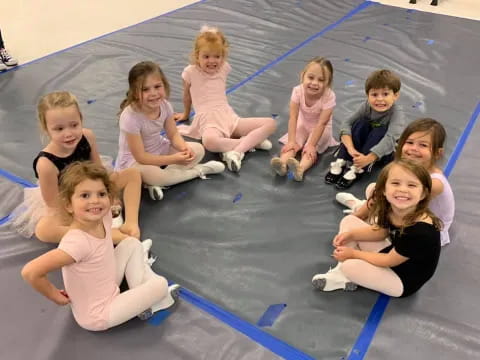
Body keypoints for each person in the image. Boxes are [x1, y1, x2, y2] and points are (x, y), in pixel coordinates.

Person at [21, 162, 179, 331]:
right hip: (99, 314)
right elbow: (30, 272)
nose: (95, 201)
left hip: (107, 282)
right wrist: (55, 296)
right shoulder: (76, 243)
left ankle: (141, 297)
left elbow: (111, 235)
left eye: (101, 194)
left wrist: (126, 224)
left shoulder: (103, 218)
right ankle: (154, 297)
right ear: (68, 205)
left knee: (131, 243)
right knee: (160, 284)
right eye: (85, 196)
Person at [10, 91, 142, 243]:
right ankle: (106, 235)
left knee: (132, 174)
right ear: (46, 129)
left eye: (74, 125)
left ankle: (131, 223)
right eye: (59, 129)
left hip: (93, 185)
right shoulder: (46, 164)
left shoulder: (87, 137)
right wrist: (84, 209)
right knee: (44, 230)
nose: (69, 134)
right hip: (68, 200)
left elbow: (99, 171)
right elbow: (54, 204)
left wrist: (107, 196)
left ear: (81, 120)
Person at [312, 159, 442, 297]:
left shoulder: (420, 231)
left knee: (349, 267)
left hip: (403, 280)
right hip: (392, 253)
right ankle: (343, 270)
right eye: (395, 183)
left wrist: (353, 254)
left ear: (423, 194)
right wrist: (350, 235)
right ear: (384, 190)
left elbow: (388, 260)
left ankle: (343, 274)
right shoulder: (391, 208)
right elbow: (380, 233)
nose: (403, 189)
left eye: (412, 185)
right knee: (349, 221)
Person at [115, 61, 225, 201]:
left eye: (157, 86)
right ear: (135, 93)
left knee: (198, 149)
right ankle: (199, 170)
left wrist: (183, 148)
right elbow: (141, 157)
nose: (153, 93)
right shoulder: (130, 117)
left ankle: (158, 182)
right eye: (145, 89)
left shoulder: (165, 106)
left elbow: (173, 134)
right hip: (135, 162)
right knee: (153, 174)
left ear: (164, 85)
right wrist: (173, 159)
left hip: (160, 149)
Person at [336, 118, 454, 246]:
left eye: (423, 145)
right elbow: (379, 192)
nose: (414, 149)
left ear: (437, 153)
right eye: (410, 142)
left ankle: (364, 215)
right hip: (406, 210)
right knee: (374, 187)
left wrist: (359, 217)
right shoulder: (406, 168)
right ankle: (362, 210)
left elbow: (390, 204)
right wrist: (360, 214)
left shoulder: (434, 183)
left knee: (359, 227)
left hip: (423, 230)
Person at [175, 25, 277, 172]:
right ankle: (249, 143)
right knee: (209, 142)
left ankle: (238, 149)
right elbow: (187, 95)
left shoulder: (224, 68)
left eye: (217, 56)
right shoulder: (190, 72)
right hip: (208, 121)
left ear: (223, 56)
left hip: (228, 116)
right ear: (197, 55)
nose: (212, 61)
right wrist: (185, 114)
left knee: (270, 123)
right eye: (206, 56)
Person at [325, 69, 405, 189]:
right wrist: (350, 148)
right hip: (363, 143)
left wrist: (369, 158)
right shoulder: (366, 106)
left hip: (382, 152)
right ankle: (342, 159)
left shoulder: (396, 114)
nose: (379, 99)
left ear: (395, 96)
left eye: (385, 94)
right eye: (374, 94)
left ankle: (358, 168)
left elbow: (390, 139)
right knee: (360, 123)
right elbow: (346, 123)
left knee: (380, 131)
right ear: (367, 95)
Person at [270, 57, 338, 181]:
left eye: (321, 80)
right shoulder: (297, 91)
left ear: (328, 82)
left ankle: (301, 169)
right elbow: (293, 117)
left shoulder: (329, 96)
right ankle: (282, 164)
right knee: (292, 145)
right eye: (311, 78)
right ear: (303, 76)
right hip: (303, 124)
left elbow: (322, 123)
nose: (314, 83)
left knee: (310, 151)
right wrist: (291, 140)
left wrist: (311, 145)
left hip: (322, 129)